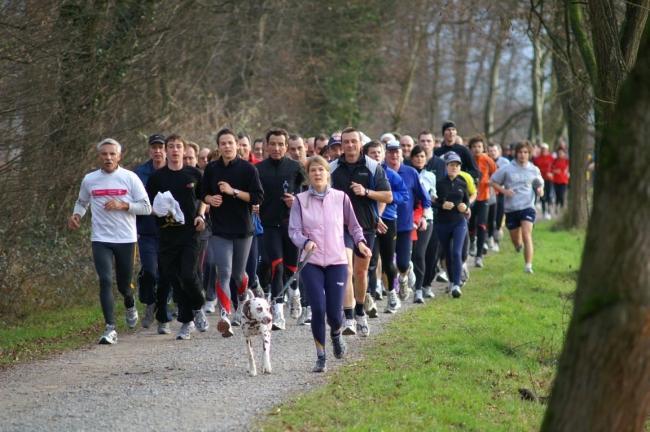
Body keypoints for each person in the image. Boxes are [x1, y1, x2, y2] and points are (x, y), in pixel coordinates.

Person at [289, 155, 371, 373]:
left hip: (336, 261)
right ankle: (321, 355)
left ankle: (336, 333)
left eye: (321, 170)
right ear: (308, 175)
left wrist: (361, 243)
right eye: (313, 170)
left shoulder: (341, 198)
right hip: (312, 261)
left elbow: (354, 226)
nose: (317, 173)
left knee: (335, 314)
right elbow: (294, 231)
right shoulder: (300, 200)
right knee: (317, 308)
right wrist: (305, 242)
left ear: (328, 173)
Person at [68, 138, 151, 344]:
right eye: (104, 154)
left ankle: (129, 302)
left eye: (112, 154)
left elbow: (147, 207)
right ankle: (110, 328)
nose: (108, 157)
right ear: (99, 156)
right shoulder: (90, 179)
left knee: (124, 285)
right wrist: (77, 215)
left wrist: (123, 205)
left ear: (119, 156)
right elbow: (82, 202)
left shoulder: (129, 178)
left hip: (125, 239)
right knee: (105, 280)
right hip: (100, 239)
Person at [202, 128, 264, 337]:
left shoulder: (248, 169)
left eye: (230, 143)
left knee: (239, 275)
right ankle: (225, 316)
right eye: (223, 143)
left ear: (237, 145)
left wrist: (233, 192)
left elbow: (257, 197)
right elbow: (200, 191)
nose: (227, 146)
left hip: (243, 230)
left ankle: (243, 297)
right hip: (219, 229)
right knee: (224, 272)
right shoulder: (211, 169)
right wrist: (210, 199)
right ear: (218, 147)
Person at [330, 127, 392, 337]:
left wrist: (366, 192)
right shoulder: (332, 168)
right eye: (345, 142)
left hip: (366, 227)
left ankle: (359, 311)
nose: (349, 146)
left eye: (353, 142)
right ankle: (348, 317)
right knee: (346, 270)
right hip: (341, 228)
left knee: (360, 272)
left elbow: (388, 196)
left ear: (360, 144)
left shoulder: (373, 167)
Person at [147, 134, 209, 340]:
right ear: (165, 151)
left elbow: (204, 198)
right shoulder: (157, 177)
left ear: (184, 150)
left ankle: (198, 308)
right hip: (166, 235)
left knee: (189, 275)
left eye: (178, 147)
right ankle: (185, 322)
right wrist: (161, 211)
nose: (174, 150)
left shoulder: (194, 174)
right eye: (171, 147)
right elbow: (149, 206)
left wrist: (201, 215)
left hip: (190, 234)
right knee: (175, 279)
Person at [256, 128, 306, 330]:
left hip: (291, 225)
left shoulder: (296, 167)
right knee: (276, 266)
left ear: (286, 146)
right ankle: (278, 313)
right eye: (272, 144)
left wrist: (296, 201)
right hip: (269, 225)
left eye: (280, 144)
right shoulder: (258, 169)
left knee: (292, 267)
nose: (276, 148)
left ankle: (295, 293)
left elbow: (306, 194)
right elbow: (254, 194)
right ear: (266, 146)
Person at [363, 141, 408, 313]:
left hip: (388, 221)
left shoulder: (390, 174)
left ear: (383, 155)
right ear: (366, 155)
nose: (376, 155)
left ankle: (391, 294)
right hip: (368, 221)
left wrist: (387, 197)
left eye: (379, 152)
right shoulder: (363, 173)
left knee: (388, 261)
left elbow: (404, 195)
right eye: (372, 153)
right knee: (371, 261)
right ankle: (370, 298)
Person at [384, 140, 431, 303]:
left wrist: (423, 217)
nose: (394, 155)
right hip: (385, 225)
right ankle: (391, 296)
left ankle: (404, 277)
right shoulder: (379, 172)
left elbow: (425, 198)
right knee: (387, 263)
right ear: (385, 154)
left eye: (397, 151)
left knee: (403, 263)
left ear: (402, 154)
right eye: (390, 151)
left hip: (405, 226)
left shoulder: (411, 173)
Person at [490, 141, 544, 274]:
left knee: (527, 234)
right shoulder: (507, 168)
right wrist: (504, 191)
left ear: (529, 154)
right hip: (511, 208)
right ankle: (518, 246)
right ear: (516, 153)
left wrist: (540, 191)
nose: (522, 155)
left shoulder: (534, 169)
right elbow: (493, 181)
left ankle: (528, 266)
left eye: (525, 152)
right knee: (517, 241)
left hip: (527, 206)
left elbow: (540, 186)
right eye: (520, 152)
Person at [134, 134, 167, 329]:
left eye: (160, 147)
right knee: (150, 271)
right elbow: (134, 199)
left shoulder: (172, 170)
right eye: (154, 147)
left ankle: (163, 316)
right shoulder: (140, 173)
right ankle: (149, 303)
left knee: (165, 274)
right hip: (146, 230)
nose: (157, 151)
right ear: (149, 150)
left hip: (168, 230)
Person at [433, 152, 470, 298]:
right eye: (451, 165)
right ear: (446, 166)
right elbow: (433, 202)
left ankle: (456, 284)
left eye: (457, 165)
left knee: (457, 252)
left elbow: (466, 202)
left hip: (459, 222)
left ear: (460, 167)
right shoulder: (439, 183)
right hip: (443, 223)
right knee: (447, 254)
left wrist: (465, 208)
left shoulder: (462, 183)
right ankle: (451, 281)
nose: (454, 168)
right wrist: (442, 205)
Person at [408, 145, 437, 300]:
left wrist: (424, 216)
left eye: (422, 156)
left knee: (419, 254)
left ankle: (419, 289)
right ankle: (405, 285)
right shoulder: (406, 173)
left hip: (426, 218)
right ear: (411, 158)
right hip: (408, 219)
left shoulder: (430, 176)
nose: (419, 159)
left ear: (426, 159)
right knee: (407, 256)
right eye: (416, 156)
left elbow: (432, 198)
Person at [468, 135, 497, 268]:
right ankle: (472, 241)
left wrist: (489, 182)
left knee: (481, 225)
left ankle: (479, 256)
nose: (476, 149)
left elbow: (495, 173)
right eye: (474, 147)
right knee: (471, 224)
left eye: (479, 146)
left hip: (484, 197)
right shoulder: (468, 160)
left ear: (483, 148)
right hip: (471, 197)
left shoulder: (487, 159)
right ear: (470, 148)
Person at [486, 142, 510, 252]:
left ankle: (496, 241)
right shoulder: (484, 161)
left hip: (500, 192)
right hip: (488, 192)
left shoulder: (505, 162)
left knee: (499, 216)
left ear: (499, 152)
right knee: (489, 216)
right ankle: (489, 237)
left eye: (494, 151)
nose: (492, 153)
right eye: (490, 151)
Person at [532, 143, 555, 219]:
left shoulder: (551, 158)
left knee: (549, 195)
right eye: (542, 149)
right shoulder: (537, 159)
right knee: (542, 196)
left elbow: (554, 167)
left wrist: (551, 173)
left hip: (549, 179)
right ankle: (544, 211)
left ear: (547, 150)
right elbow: (534, 169)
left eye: (545, 149)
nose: (543, 150)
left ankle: (548, 211)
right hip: (540, 179)